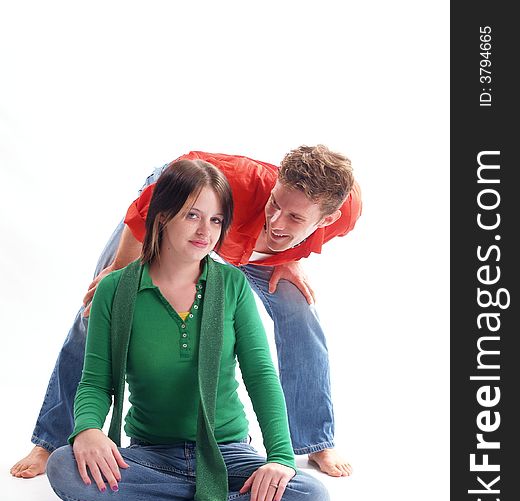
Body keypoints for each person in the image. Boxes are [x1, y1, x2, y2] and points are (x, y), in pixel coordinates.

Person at [11, 145, 361, 480]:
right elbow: (153, 200)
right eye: (274, 203)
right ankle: (51, 439)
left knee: (300, 311)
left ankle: (316, 440)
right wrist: (120, 270)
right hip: (193, 213)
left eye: (295, 217)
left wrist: (290, 257)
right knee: (97, 309)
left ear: (329, 217)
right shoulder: (239, 182)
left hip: (253, 248)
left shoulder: (346, 213)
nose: (277, 219)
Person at [45, 159, 329, 501]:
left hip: (229, 455)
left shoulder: (231, 286)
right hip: (152, 457)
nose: (205, 231)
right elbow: (96, 381)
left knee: (309, 499)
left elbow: (261, 377)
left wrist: (279, 459)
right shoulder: (117, 291)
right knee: (64, 467)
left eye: (216, 220)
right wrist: (89, 430)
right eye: (192, 215)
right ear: (161, 215)